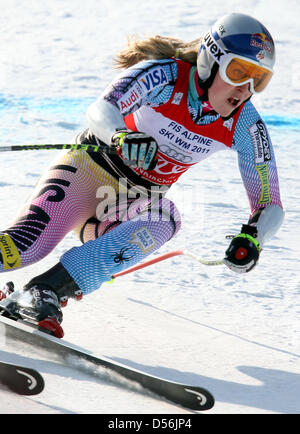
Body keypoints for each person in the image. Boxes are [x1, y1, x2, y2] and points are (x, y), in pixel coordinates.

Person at [0, 13, 284, 338]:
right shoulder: (164, 76)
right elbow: (101, 110)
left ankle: (44, 292)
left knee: (166, 218)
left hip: (123, 209)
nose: (245, 89)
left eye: (258, 80)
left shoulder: (246, 125)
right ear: (210, 61)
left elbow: (270, 203)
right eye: (238, 72)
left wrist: (254, 237)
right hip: (87, 174)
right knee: (25, 248)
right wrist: (121, 134)